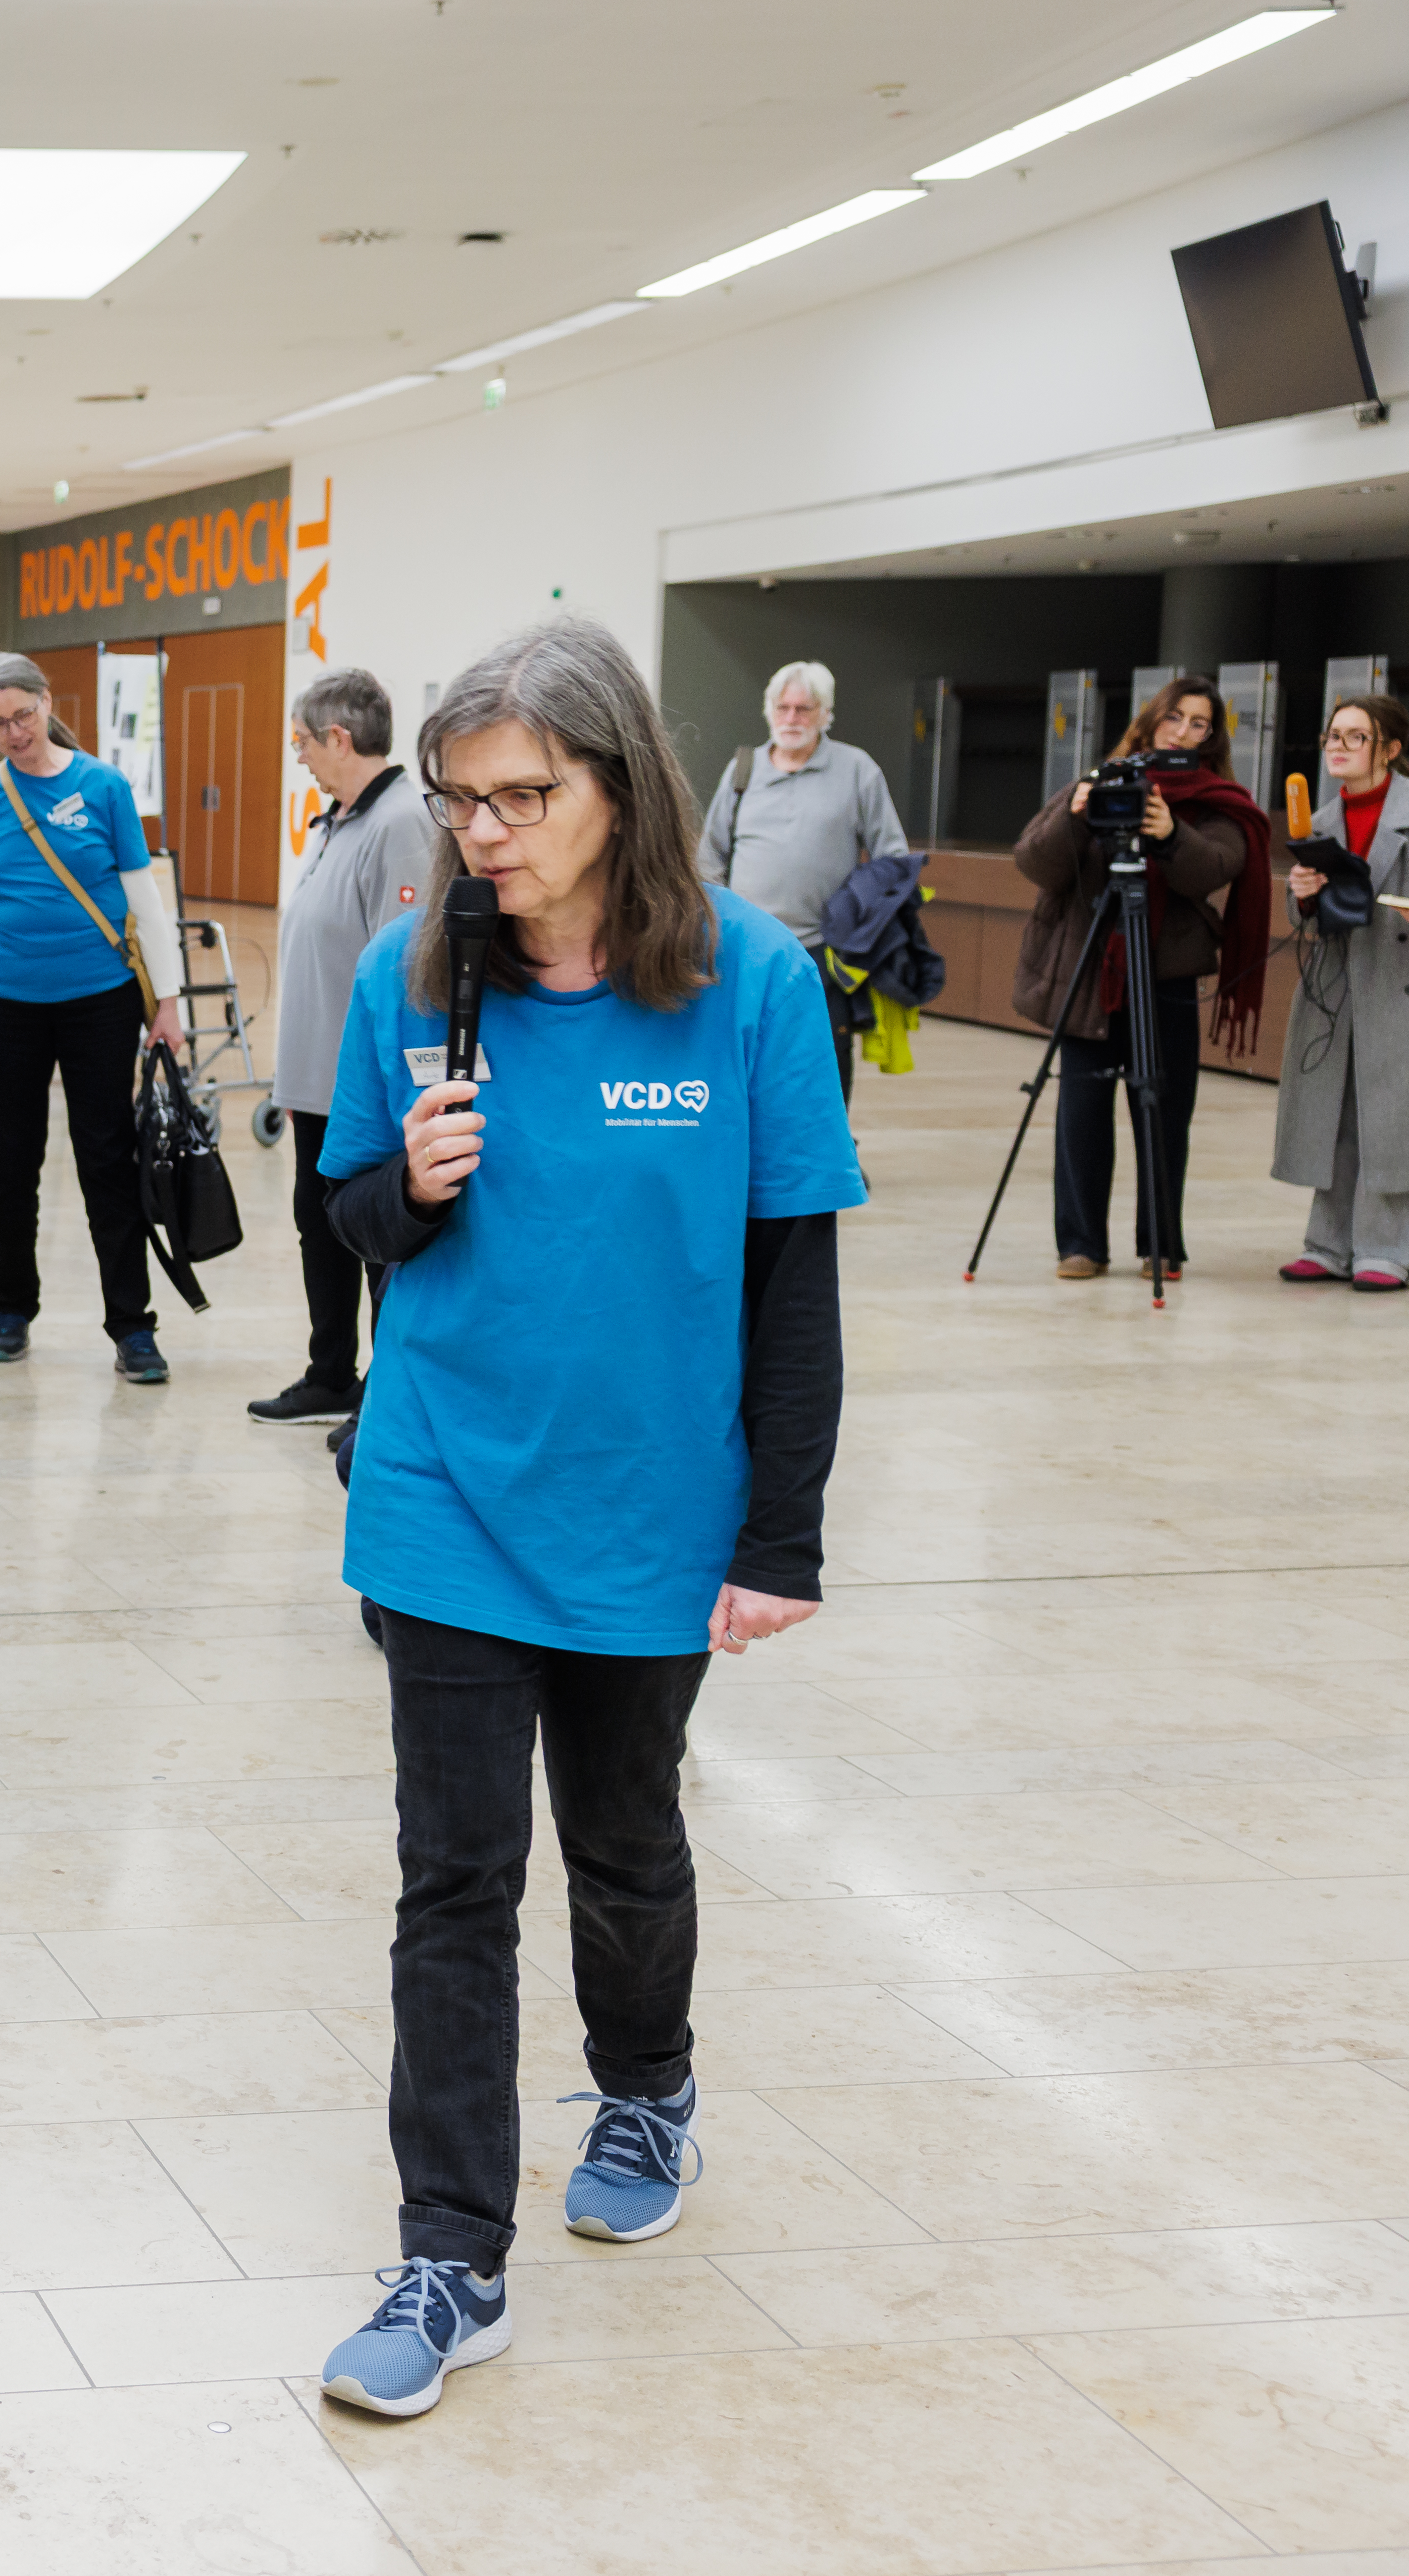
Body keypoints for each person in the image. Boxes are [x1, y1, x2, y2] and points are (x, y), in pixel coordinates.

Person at [309, 613, 861, 2420]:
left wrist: (779, 1533)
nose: (483, 831)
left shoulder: (755, 984)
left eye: (523, 797)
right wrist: (414, 1178)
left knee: (621, 1842)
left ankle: (647, 2081)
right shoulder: (418, 968)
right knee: (450, 1878)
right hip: (446, 1487)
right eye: (463, 801)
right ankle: (449, 2255)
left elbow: (791, 1278)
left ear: (620, 787)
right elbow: (356, 1224)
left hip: (647, 1502)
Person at [0, 652, 187, 1380]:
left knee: (107, 1159)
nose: (13, 732)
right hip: (8, 1003)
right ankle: (10, 1310)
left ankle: (132, 1326)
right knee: (9, 1167)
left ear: (47, 703)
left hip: (100, 1002)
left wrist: (167, 1004)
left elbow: (145, 901)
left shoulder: (103, 787)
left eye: (22, 715)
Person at [1009, 675, 1273, 1281]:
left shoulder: (1217, 801)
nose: (1182, 731)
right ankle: (1080, 1245)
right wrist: (1079, 813)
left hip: (1165, 977)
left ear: (1212, 735)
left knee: (1163, 1112)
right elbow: (1035, 862)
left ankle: (1161, 1243)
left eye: (1198, 723)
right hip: (1089, 974)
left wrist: (1170, 833)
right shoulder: (1101, 779)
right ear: (1151, 720)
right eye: (1174, 717)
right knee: (1080, 1110)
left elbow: (1213, 869)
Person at [255, 668, 422, 1427]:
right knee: (317, 1226)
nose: (300, 757)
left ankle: (389, 1399)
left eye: (302, 742)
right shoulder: (340, 821)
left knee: (375, 1241)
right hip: (316, 1084)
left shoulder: (400, 826)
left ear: (339, 739)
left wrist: (382, 1086)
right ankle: (331, 1374)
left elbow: (405, 968)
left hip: (363, 1087)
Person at [1274, 693, 1409, 1290]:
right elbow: (1310, 922)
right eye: (1332, 736)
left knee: (1391, 1120)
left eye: (1353, 737)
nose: (1337, 748)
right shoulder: (1318, 823)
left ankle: (1387, 1250)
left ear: (1390, 749)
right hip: (1335, 985)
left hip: (1406, 988)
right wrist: (1302, 894)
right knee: (1330, 1113)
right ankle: (1327, 1243)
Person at [695, 661, 909, 1100]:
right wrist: (720, 926)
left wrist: (860, 923)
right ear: (769, 710)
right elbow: (709, 856)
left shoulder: (857, 769)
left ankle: (830, 1157)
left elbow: (893, 859)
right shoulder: (742, 770)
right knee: (744, 1055)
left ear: (825, 714)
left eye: (803, 709)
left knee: (824, 1060)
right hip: (746, 948)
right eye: (783, 707)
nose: (791, 718)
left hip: (825, 952)